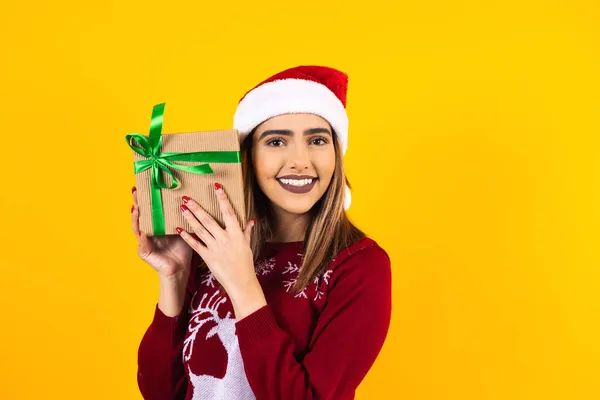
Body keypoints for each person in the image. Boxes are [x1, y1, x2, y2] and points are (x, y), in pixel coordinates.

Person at [132, 65, 392, 400]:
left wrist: (243, 287)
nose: (299, 160)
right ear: (249, 157)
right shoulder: (216, 247)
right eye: (276, 141)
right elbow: (161, 393)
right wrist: (175, 276)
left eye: (317, 140)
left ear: (336, 155)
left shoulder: (359, 267)